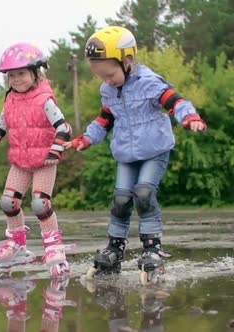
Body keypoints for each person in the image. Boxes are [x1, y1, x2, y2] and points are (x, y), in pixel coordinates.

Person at [64, 26, 207, 283]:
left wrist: (190, 117)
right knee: (120, 200)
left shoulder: (149, 82)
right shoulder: (108, 90)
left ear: (127, 61)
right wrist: (86, 138)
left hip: (155, 150)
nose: (107, 81)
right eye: (101, 76)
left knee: (144, 193)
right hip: (126, 154)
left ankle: (153, 249)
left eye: (110, 74)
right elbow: (104, 119)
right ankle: (115, 250)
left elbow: (176, 102)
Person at [0, 42, 72, 278]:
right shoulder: (10, 102)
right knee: (8, 203)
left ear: (35, 72)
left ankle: (53, 246)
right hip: (20, 161)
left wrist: (56, 150)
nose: (16, 79)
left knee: (40, 204)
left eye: (21, 73)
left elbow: (63, 127)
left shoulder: (44, 99)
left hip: (44, 161)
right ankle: (17, 244)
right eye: (12, 75)